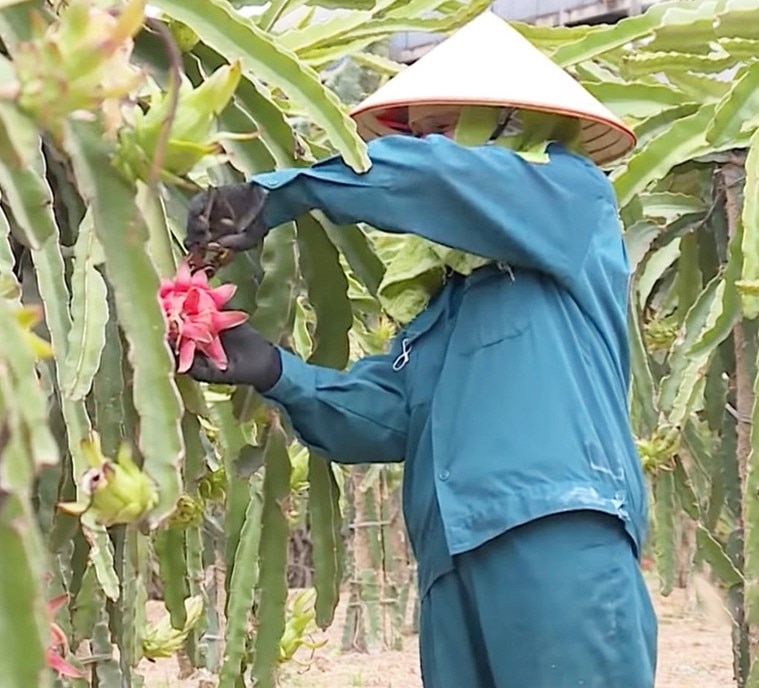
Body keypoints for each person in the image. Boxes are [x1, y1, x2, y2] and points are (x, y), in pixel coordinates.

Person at [180, 11, 657, 688]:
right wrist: (276, 371)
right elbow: (391, 415)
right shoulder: (444, 304)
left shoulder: (571, 199)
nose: (427, 147)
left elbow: (442, 182)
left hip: (556, 533)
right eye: (420, 133)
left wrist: (283, 192)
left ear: (507, 125)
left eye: (441, 130)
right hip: (450, 556)